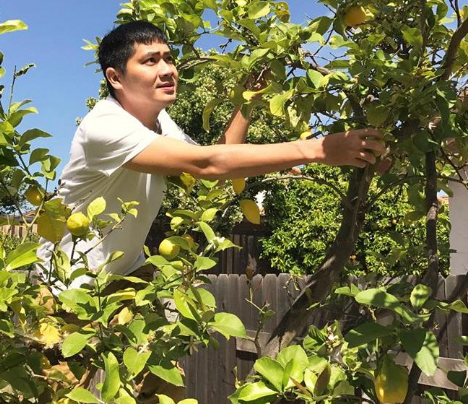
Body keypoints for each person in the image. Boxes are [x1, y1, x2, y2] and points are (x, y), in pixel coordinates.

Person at [39, 20, 385, 288]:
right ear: (115, 77)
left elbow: (220, 160)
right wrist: (317, 149)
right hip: (68, 287)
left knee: (165, 380)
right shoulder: (104, 126)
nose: (168, 69)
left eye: (169, 58)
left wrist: (249, 101)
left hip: (124, 279)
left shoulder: (159, 123)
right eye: (150, 61)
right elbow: (207, 164)